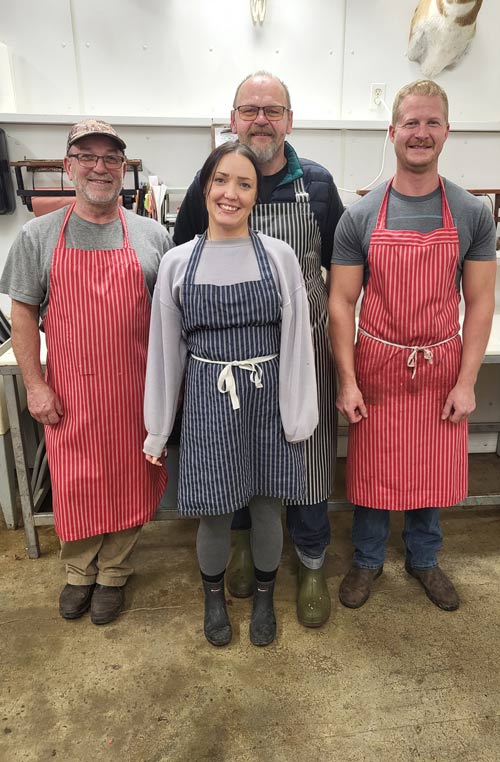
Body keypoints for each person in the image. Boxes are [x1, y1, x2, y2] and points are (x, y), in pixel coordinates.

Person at [174, 71, 344, 627]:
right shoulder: (210, 183)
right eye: (250, 110)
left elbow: (342, 276)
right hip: (225, 362)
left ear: (290, 121)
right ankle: (242, 548)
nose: (261, 120)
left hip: (301, 354)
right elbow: (185, 273)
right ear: (232, 118)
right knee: (233, 464)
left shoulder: (316, 184)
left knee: (308, 462)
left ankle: (312, 561)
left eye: (273, 110)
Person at [329, 80, 497, 612]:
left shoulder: (472, 214)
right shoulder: (359, 216)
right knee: (374, 468)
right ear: (393, 131)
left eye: (431, 123)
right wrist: (348, 380)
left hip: (441, 364)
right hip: (378, 361)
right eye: (411, 123)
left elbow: (481, 302)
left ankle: (425, 559)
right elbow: (340, 302)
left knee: (432, 466)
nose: (420, 133)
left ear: (447, 131)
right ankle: (367, 558)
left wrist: (467, 382)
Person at [143, 141, 318, 646]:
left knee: (266, 508)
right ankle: (214, 597)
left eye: (244, 183)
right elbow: (164, 352)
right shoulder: (178, 264)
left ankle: (264, 595)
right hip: (206, 403)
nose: (231, 193)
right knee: (215, 513)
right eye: (222, 180)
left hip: (267, 399)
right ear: (205, 187)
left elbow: (297, 343)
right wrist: (158, 430)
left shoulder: (280, 258)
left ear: (256, 195)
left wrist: (298, 416)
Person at [0, 119, 172, 624]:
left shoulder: (152, 236)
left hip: (135, 394)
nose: (100, 167)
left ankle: (115, 572)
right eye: (88, 156)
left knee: (130, 479)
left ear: (123, 169)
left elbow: (170, 319)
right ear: (69, 165)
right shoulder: (37, 236)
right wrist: (35, 385)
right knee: (76, 483)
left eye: (111, 158)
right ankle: (79, 571)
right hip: (70, 393)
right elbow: (24, 314)